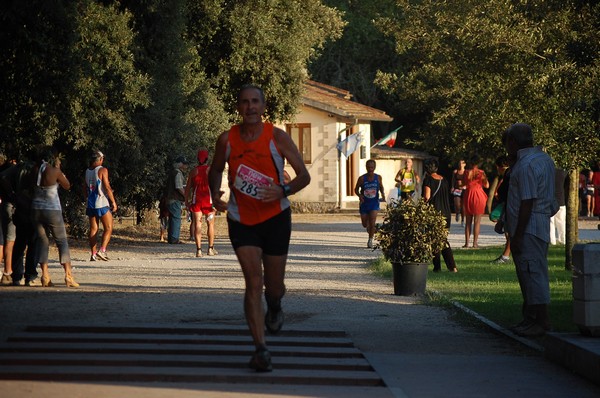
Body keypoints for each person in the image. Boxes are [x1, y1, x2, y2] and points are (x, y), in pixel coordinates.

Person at [208, 84, 310, 372]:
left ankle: (275, 306)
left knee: (273, 286)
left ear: (263, 107)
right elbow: (215, 169)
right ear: (238, 107)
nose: (250, 107)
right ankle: (261, 349)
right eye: (244, 102)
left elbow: (304, 176)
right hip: (242, 219)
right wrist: (216, 195)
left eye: (255, 102)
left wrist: (283, 190)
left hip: (276, 217)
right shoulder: (226, 139)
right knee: (253, 281)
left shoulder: (277, 137)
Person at [504, 122, 558, 337]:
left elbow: (527, 201)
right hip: (539, 222)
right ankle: (530, 318)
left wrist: (517, 234)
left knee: (533, 273)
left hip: (528, 226)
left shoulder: (526, 165)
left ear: (513, 142)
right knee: (529, 272)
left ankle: (542, 321)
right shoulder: (544, 159)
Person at [31, 150, 78, 287]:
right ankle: (68, 275)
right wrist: (60, 172)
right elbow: (67, 185)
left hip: (35, 209)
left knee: (43, 241)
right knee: (61, 241)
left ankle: (45, 276)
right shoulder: (54, 171)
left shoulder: (34, 170)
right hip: (52, 210)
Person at [422, 159, 457, 272]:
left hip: (434, 213)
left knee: (434, 240)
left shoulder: (428, 180)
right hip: (446, 213)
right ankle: (451, 267)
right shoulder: (444, 180)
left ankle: (439, 267)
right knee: (442, 239)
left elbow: (427, 197)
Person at [85, 150, 117, 261]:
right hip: (101, 202)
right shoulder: (102, 170)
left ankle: (93, 253)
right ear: (100, 159)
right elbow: (107, 187)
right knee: (108, 227)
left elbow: (84, 188)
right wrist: (113, 201)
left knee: (93, 229)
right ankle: (102, 250)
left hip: (90, 203)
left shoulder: (87, 171)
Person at [185, 148, 217, 257]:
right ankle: (210, 249)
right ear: (207, 158)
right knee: (210, 224)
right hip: (209, 200)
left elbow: (188, 188)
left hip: (196, 200)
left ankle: (198, 250)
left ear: (197, 159)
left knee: (198, 224)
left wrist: (186, 202)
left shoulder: (193, 171)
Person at [354, 159, 386, 249]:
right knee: (365, 224)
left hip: (374, 203)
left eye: (372, 167)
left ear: (374, 168)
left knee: (372, 222)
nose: (370, 169)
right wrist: (359, 195)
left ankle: (370, 240)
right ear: (366, 167)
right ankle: (370, 228)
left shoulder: (378, 177)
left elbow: (381, 187)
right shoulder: (362, 178)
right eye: (368, 167)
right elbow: (356, 189)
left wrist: (383, 194)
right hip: (364, 204)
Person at [487, 155, 511, 263]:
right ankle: (507, 254)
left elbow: (493, 194)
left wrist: (489, 210)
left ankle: (506, 256)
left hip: (509, 206)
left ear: (499, 167)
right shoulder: (510, 174)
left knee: (510, 232)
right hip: (509, 205)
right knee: (508, 231)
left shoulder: (506, 176)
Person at [462, 156, 489, 248]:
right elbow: (487, 185)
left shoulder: (466, 172)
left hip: (468, 195)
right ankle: (475, 243)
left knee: (468, 221)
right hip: (478, 195)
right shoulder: (481, 173)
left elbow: (464, 184)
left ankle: (466, 243)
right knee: (477, 221)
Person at [164, 156, 189, 244]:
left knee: (171, 219)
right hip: (175, 199)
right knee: (176, 218)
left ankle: (171, 238)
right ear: (180, 164)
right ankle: (174, 238)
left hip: (169, 198)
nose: (186, 166)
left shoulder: (172, 173)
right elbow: (179, 187)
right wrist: (186, 195)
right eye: (184, 164)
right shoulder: (178, 173)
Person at [550, 168, 567, 245]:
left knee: (551, 222)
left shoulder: (548, 172)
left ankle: (552, 240)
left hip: (550, 200)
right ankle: (562, 239)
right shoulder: (564, 173)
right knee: (561, 222)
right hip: (561, 200)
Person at [450, 159, 467, 226]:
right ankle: (457, 213)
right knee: (457, 204)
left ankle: (463, 220)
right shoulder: (455, 171)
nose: (460, 164)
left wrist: (465, 186)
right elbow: (453, 180)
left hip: (464, 189)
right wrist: (452, 187)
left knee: (463, 206)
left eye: (462, 163)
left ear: (464, 164)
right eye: (459, 163)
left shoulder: (466, 172)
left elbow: (468, 181)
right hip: (457, 189)